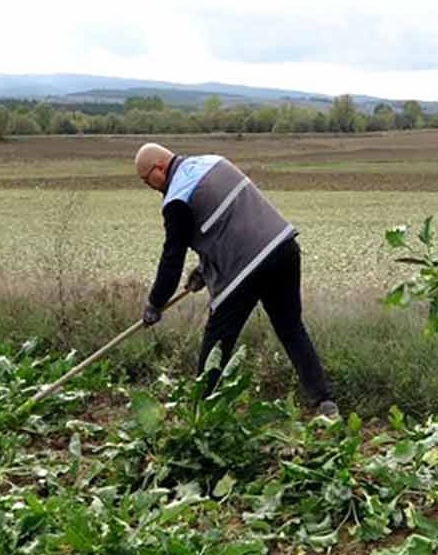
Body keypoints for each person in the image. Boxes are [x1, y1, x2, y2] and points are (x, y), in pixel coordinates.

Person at [134, 142, 338, 417]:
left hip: (244, 268)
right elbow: (226, 222)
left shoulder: (176, 198)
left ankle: (200, 413)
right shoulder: (214, 162)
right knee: (291, 328)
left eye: (147, 180)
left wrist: (155, 302)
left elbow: (172, 257)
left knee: (217, 343)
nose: (150, 187)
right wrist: (204, 270)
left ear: (159, 168)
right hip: (283, 248)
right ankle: (324, 402)